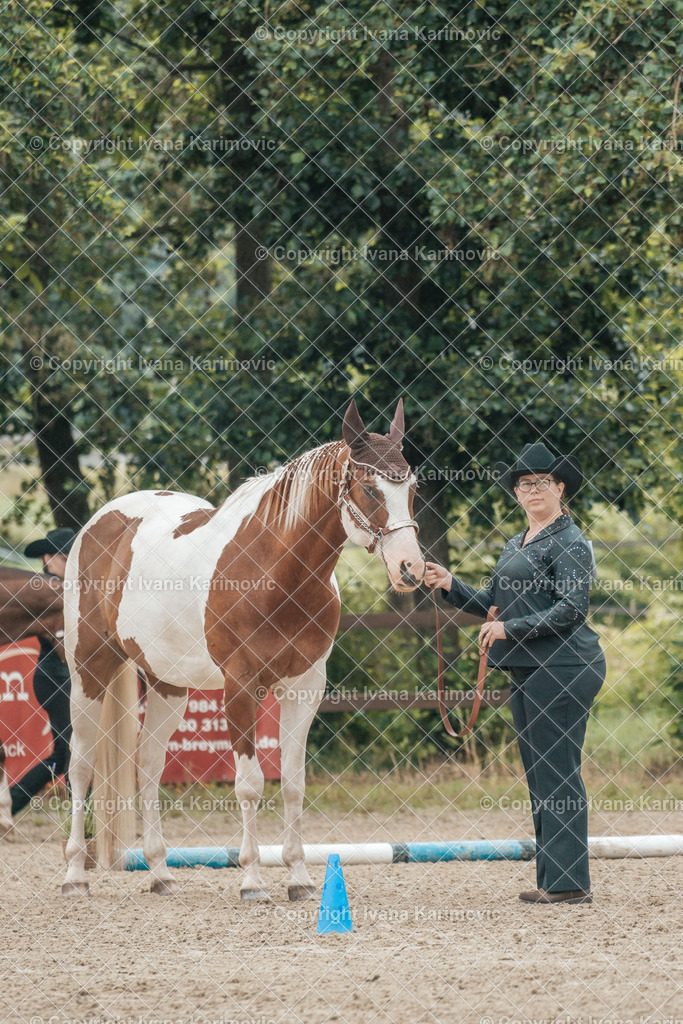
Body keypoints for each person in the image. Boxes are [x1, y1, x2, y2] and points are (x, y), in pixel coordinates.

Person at [424, 442, 605, 905]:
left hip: (565, 665)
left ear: (560, 488)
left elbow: (571, 610)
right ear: (517, 495)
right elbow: (493, 605)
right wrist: (449, 585)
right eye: (525, 484)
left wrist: (508, 628)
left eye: (543, 482)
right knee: (540, 770)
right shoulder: (515, 543)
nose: (533, 490)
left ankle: (569, 883)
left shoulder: (571, 542)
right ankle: (555, 879)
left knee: (558, 771)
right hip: (528, 666)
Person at [10, 528, 76, 816]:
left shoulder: (70, 586)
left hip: (62, 678)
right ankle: (84, 818)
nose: (72, 560)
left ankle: (7, 806)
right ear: (49, 558)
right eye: (65, 556)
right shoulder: (47, 590)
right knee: (71, 752)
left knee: (66, 754)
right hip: (55, 677)